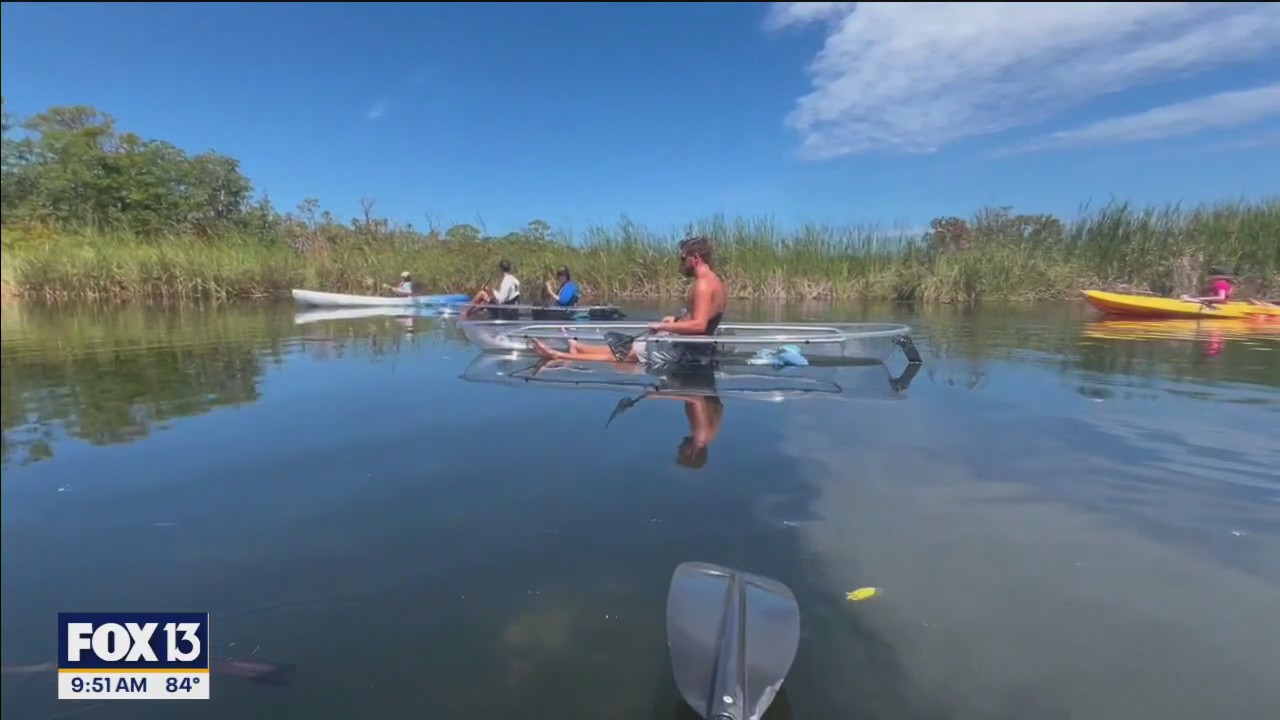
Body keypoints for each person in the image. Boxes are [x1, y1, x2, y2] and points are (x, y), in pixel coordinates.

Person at [529, 235, 725, 365]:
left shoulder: (703, 284)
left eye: (683, 258)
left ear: (695, 258)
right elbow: (702, 318)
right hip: (685, 344)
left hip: (687, 352)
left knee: (625, 356)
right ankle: (579, 347)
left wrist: (662, 327)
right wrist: (675, 320)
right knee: (628, 348)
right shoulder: (715, 281)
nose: (681, 264)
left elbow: (699, 325)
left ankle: (559, 356)